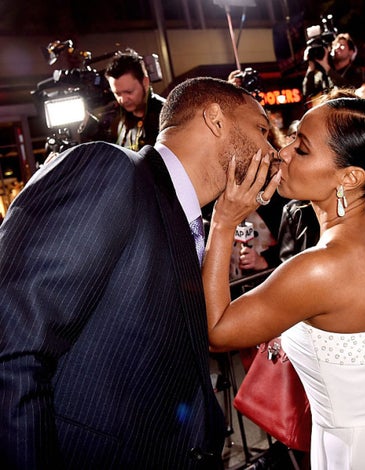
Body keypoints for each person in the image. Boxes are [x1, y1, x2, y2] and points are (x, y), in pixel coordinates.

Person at [0, 77, 276, 469]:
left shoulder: (186, 221)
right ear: (215, 119)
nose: (272, 149)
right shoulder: (111, 171)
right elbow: (13, 342)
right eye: (262, 129)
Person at [202, 97, 365, 468]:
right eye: (292, 139)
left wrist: (223, 222)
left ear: (350, 177)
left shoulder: (319, 268)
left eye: (302, 149)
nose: (283, 152)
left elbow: (216, 332)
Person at [104, 48, 166, 150]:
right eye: (117, 93)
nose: (123, 100)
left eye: (129, 92)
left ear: (145, 83)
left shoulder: (167, 116)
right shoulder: (119, 120)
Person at [302, 32, 363, 105]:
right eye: (336, 45)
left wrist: (326, 66)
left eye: (342, 45)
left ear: (351, 52)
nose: (337, 48)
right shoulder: (324, 72)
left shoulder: (356, 71)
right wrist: (311, 68)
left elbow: (348, 88)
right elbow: (308, 92)